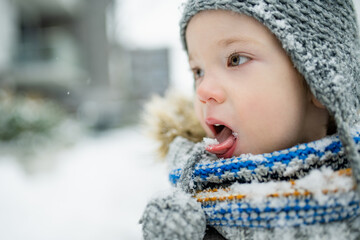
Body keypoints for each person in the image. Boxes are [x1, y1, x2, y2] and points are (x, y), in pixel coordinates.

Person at [140, 0, 360, 239]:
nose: (203, 91)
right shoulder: (192, 215)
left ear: (318, 78)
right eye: (198, 72)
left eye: (235, 59)